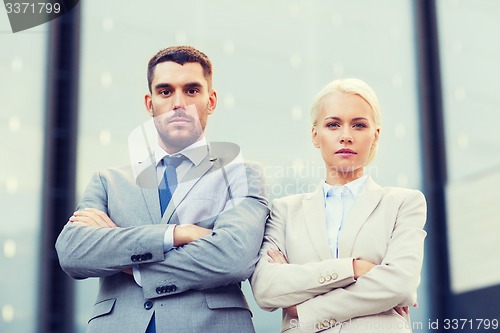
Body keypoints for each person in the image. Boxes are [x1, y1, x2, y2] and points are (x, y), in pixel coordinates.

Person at [56, 46, 269, 333]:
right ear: (150, 103)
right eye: (166, 91)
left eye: (192, 91)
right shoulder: (108, 181)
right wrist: (177, 234)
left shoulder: (242, 174)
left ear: (211, 100)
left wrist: (130, 263)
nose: (178, 103)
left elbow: (233, 258)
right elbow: (73, 252)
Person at [250, 78, 426, 332]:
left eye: (359, 125)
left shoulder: (403, 203)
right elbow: (267, 289)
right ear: (315, 135)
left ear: (375, 136)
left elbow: (401, 285)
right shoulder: (284, 211)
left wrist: (303, 309)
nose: (345, 136)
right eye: (333, 125)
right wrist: (354, 268)